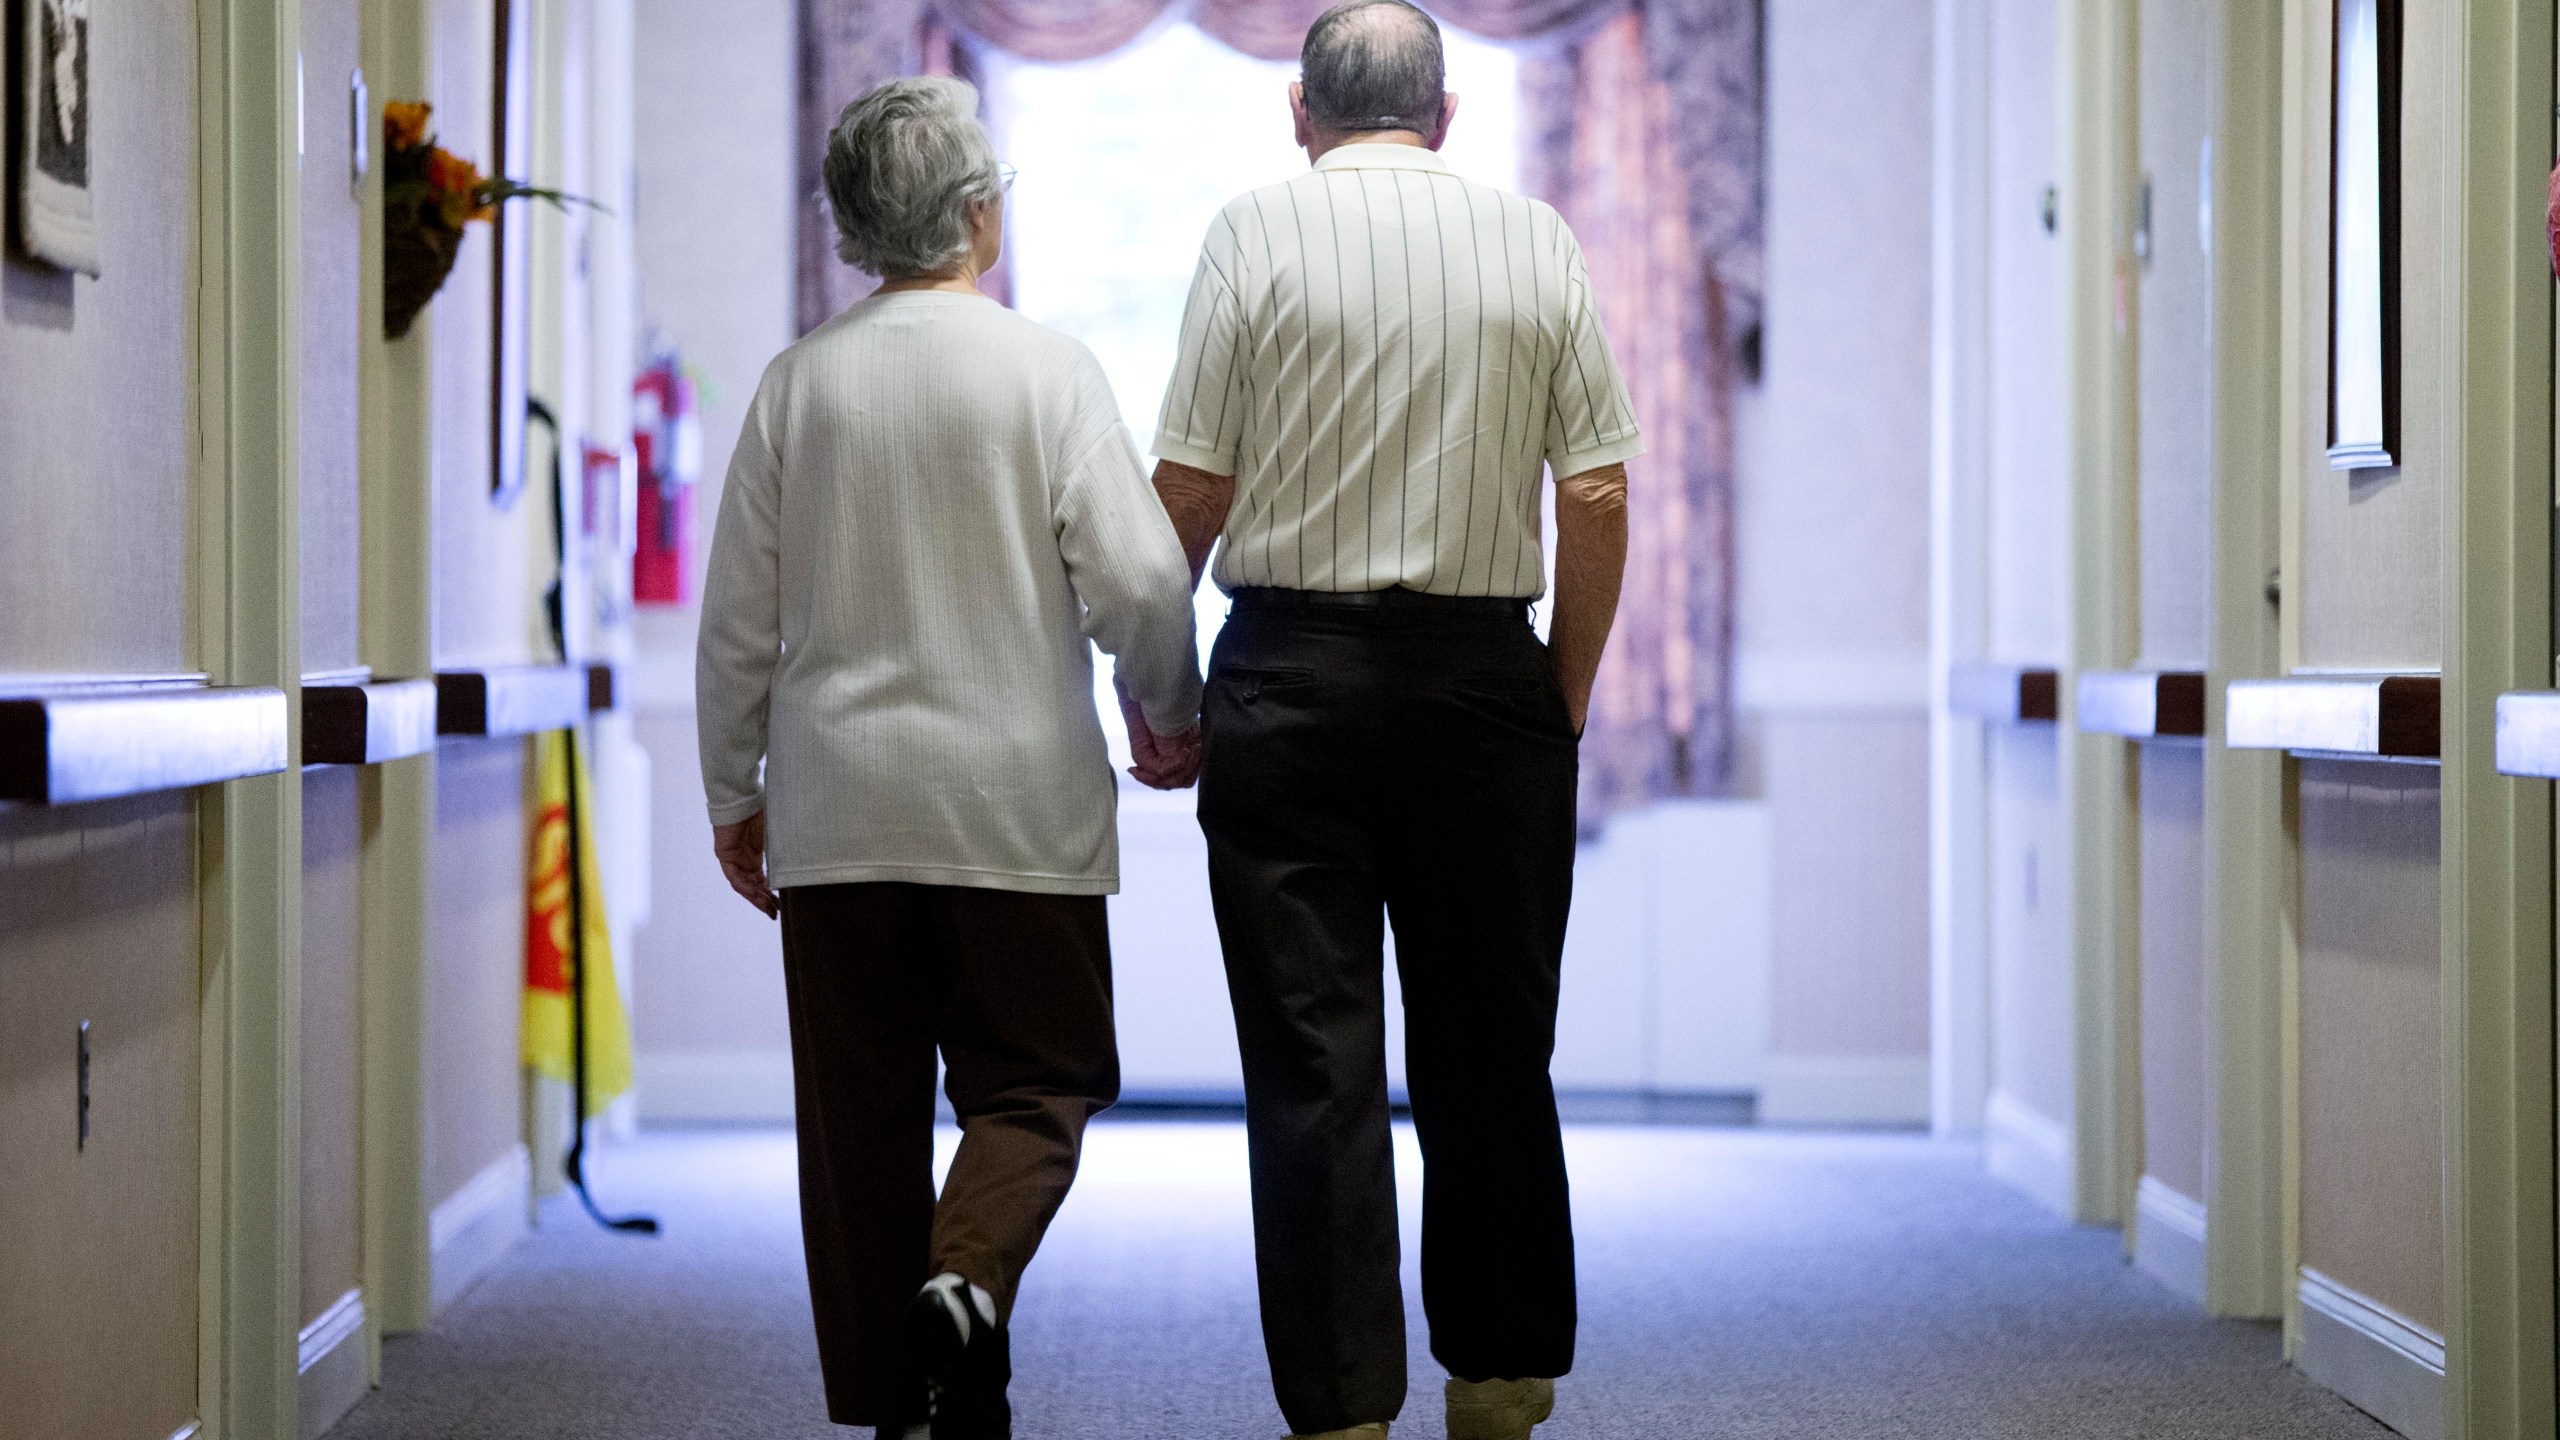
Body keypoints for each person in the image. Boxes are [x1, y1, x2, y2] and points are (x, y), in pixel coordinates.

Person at [1133, 3, 1641, 1437]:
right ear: (1447, 111)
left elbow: (1187, 493)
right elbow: (1596, 491)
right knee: (1491, 1051)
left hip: (1288, 684)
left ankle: (1347, 1412)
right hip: (1485, 687)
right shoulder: (1533, 238)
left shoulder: (1251, 233)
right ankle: (1495, 1375)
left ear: (1298, 112)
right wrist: (1565, 694)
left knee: (1311, 1070)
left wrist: (1159, 694)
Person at [694, 75, 1204, 1440]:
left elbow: (737, 624)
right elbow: (1146, 586)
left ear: (857, 229)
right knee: (1039, 1085)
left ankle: (898, 1401)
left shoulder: (797, 388)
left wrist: (732, 798)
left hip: (840, 812)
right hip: (1016, 807)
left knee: (857, 1131)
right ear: (981, 214)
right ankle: (966, 1283)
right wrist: (1170, 713)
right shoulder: (1048, 371)